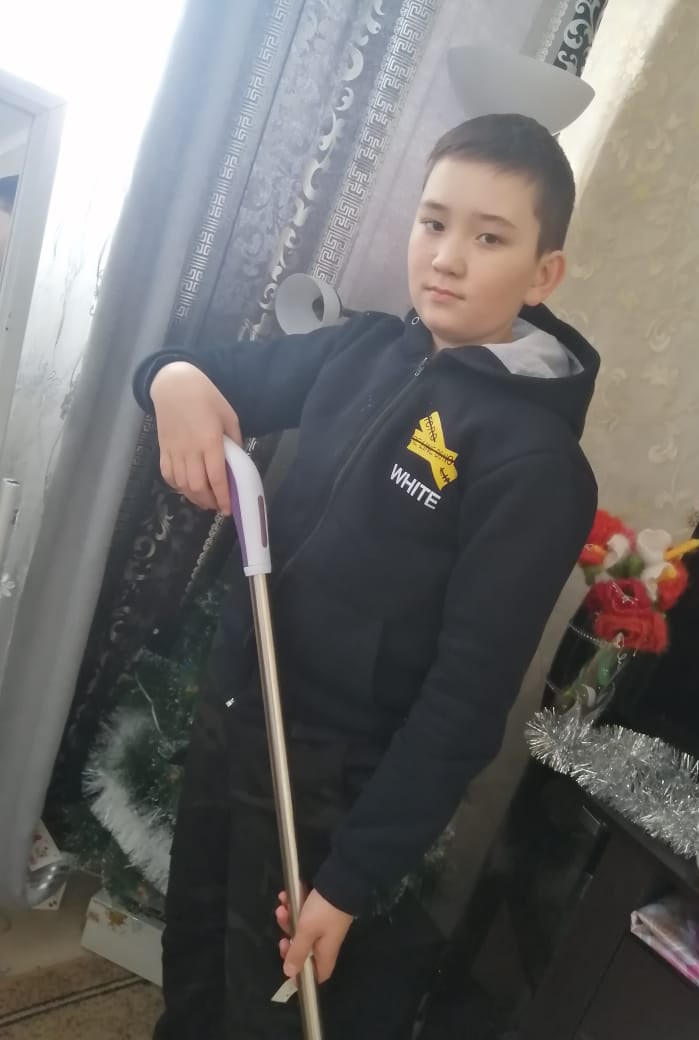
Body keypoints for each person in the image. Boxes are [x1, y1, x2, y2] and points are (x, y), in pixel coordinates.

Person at [133, 112, 600, 1039]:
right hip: (239, 705)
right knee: (190, 950)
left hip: (327, 785)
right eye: (434, 222)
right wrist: (172, 381)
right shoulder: (361, 349)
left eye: (490, 238)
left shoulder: (538, 467)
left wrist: (349, 881)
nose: (448, 258)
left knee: (261, 1004)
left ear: (544, 273)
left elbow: (466, 704)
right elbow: (201, 370)